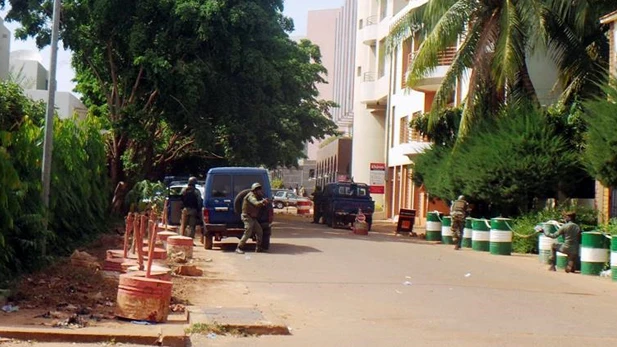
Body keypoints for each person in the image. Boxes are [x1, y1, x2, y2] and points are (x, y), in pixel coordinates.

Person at [236, 183, 269, 254]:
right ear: (254, 190)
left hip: (253, 218)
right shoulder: (251, 196)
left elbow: (259, 205)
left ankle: (258, 247)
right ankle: (239, 247)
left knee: (259, 231)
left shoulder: (258, 197)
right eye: (258, 190)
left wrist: (264, 202)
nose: (260, 191)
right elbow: (255, 203)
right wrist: (262, 201)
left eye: (260, 189)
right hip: (247, 217)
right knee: (248, 231)